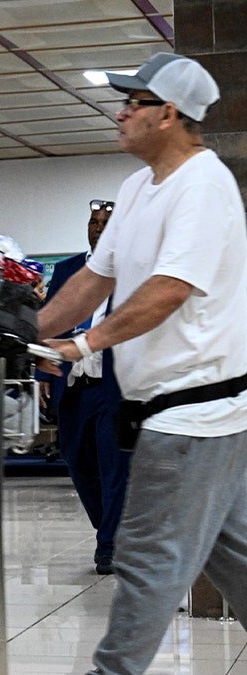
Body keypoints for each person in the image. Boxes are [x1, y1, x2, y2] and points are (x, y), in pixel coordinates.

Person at [36, 53, 247, 675]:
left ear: (170, 113)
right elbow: (95, 279)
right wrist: (28, 328)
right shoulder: (135, 189)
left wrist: (85, 344)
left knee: (148, 560)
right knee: (232, 552)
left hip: (193, 412)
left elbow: (168, 289)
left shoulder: (204, 187)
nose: (121, 113)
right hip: (182, 412)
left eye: (133, 102)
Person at [37, 199, 129, 575]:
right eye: (93, 221)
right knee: (79, 464)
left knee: (114, 466)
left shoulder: (132, 271)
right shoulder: (68, 270)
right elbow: (53, 322)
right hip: (73, 386)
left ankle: (108, 545)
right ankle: (108, 529)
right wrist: (42, 376)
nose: (98, 227)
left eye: (106, 221)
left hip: (115, 385)